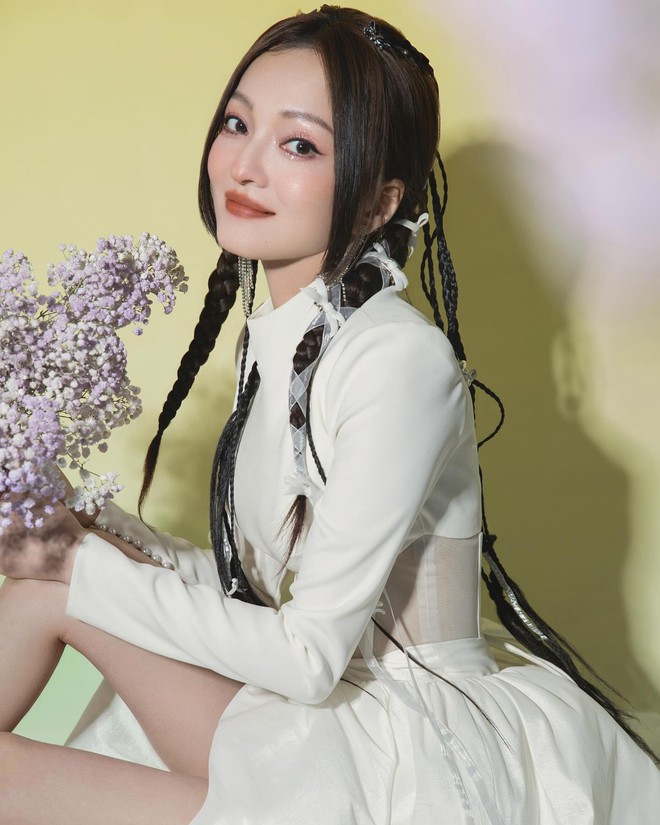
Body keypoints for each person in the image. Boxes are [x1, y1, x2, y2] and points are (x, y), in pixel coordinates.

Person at [1, 6, 659, 824]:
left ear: (379, 202)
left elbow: (308, 654)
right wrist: (78, 528)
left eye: (300, 145)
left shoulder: (398, 362)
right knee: (44, 591)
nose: (246, 165)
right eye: (237, 124)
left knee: (53, 595)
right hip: (316, 710)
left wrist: (75, 567)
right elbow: (246, 591)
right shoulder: (282, 341)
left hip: (392, 736)